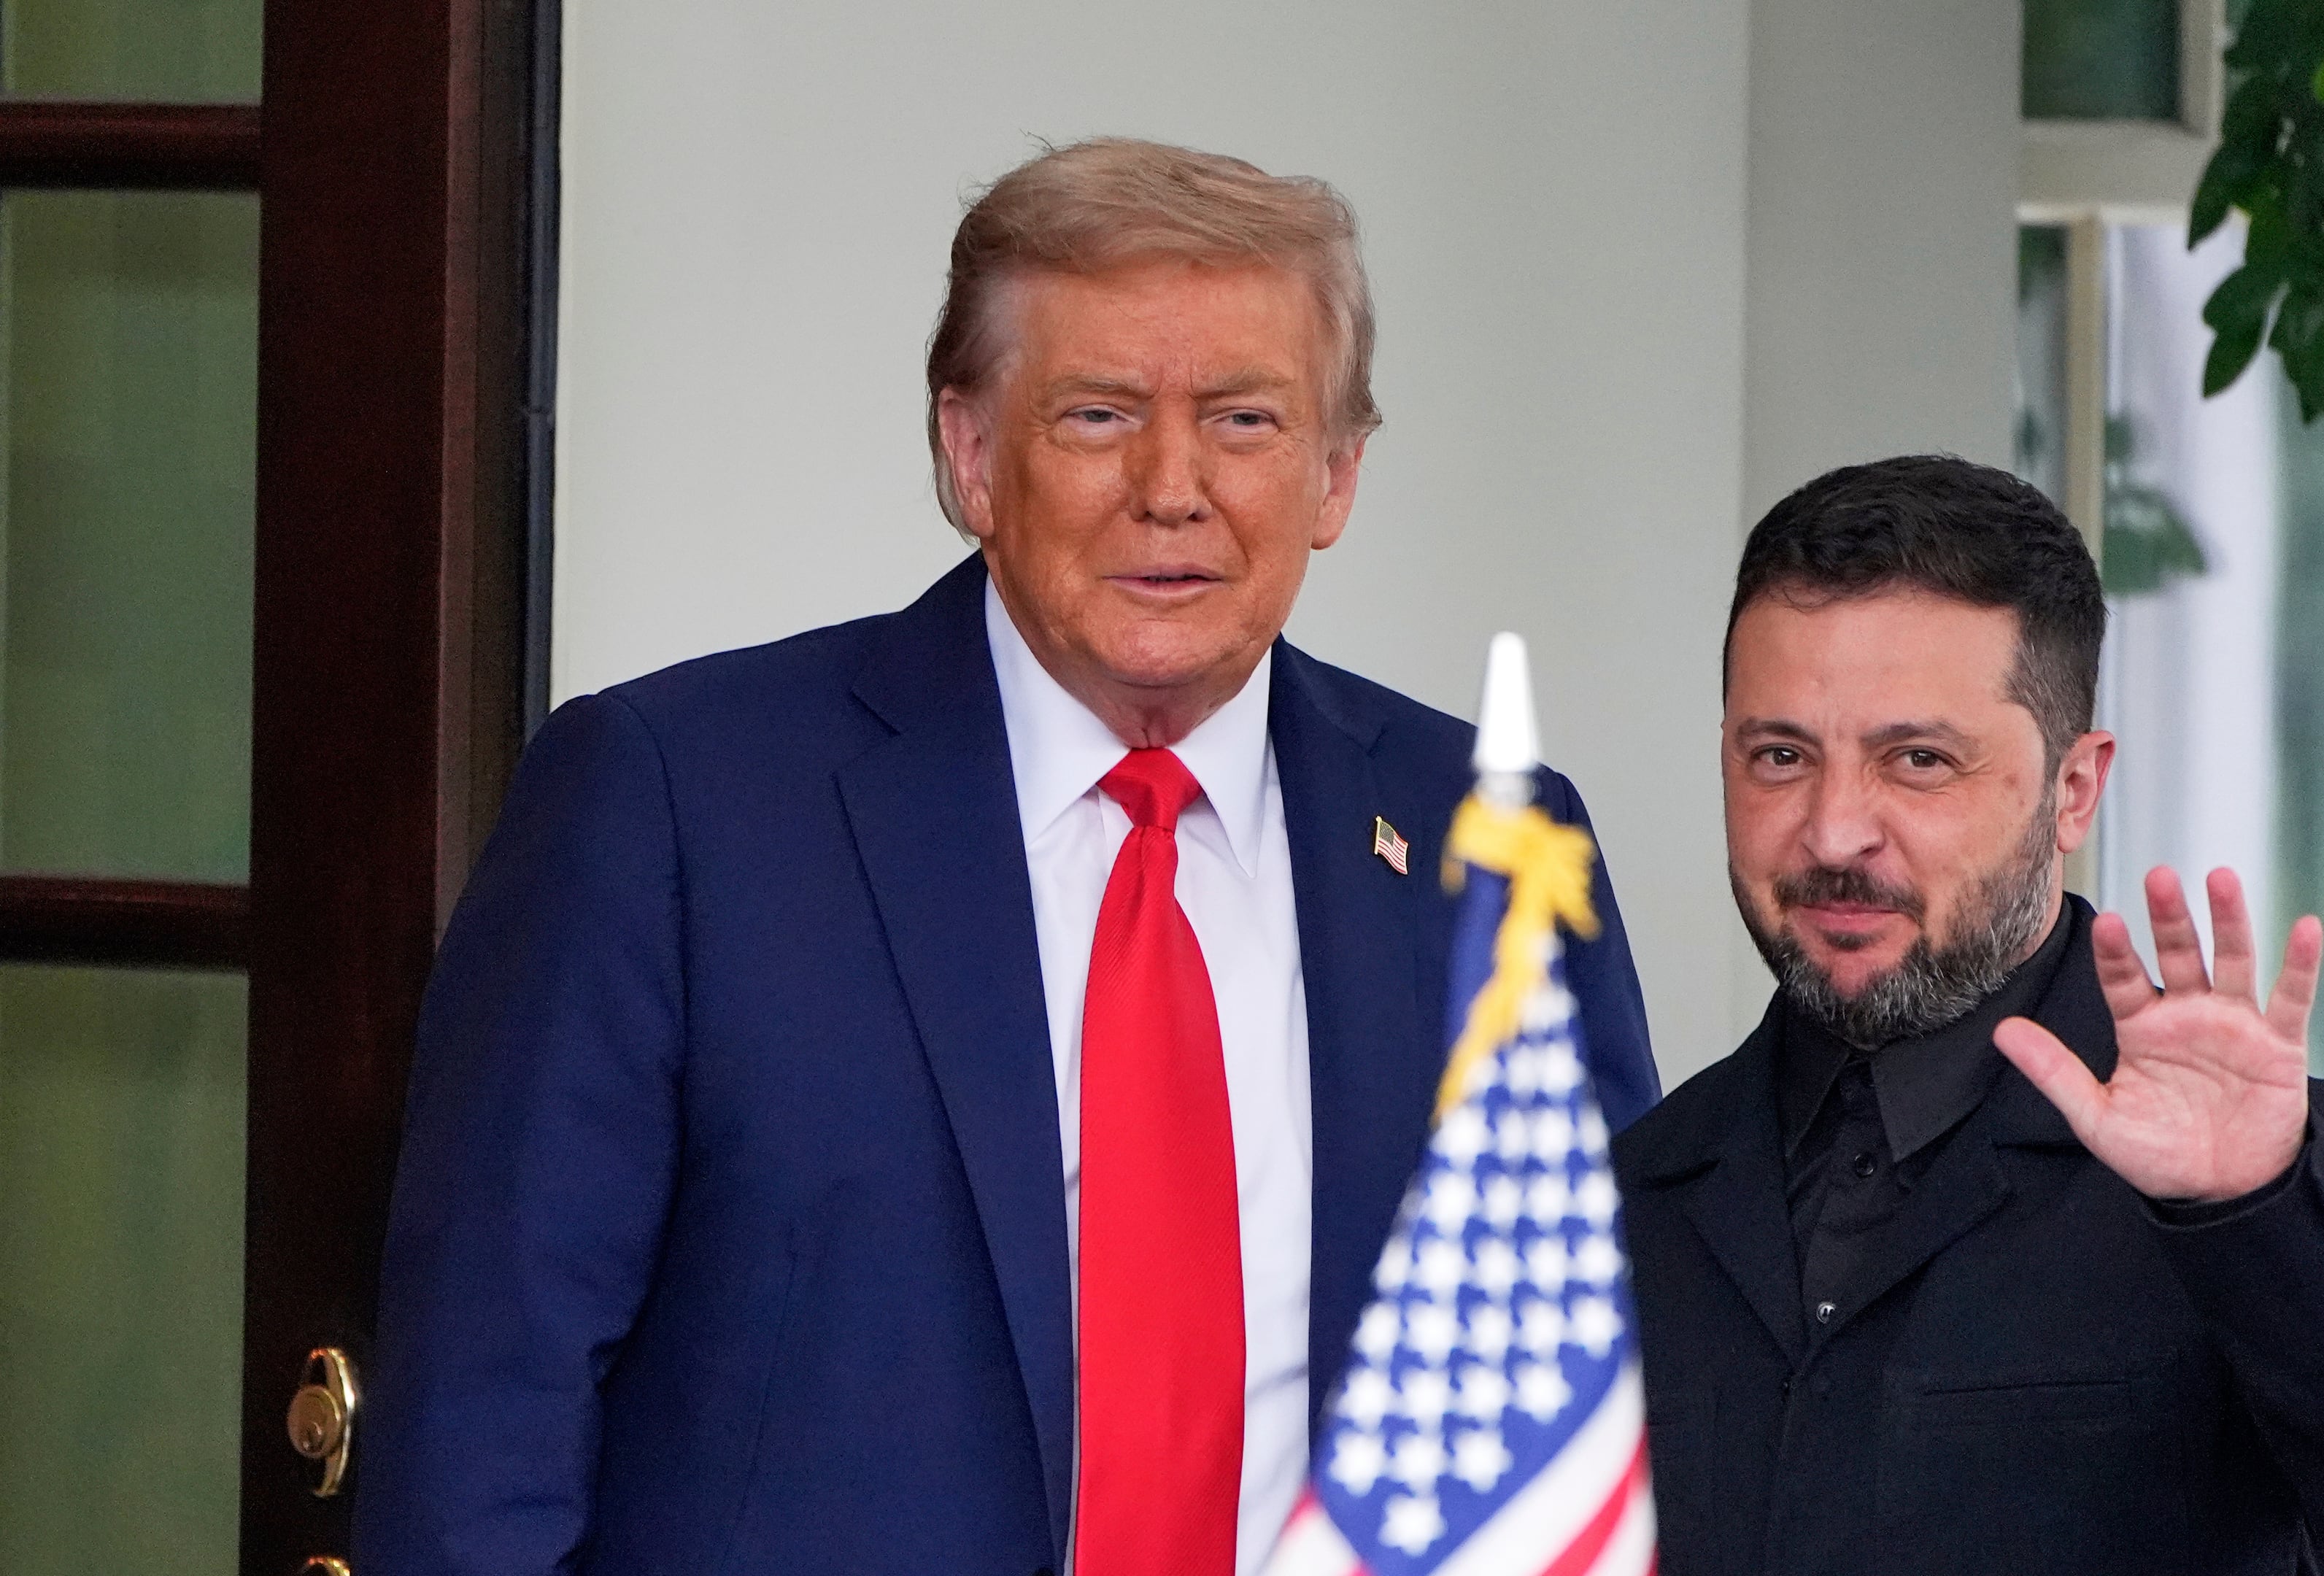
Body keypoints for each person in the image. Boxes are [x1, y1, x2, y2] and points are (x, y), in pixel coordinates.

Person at [356, 139, 1659, 1576]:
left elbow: (1591, 1397)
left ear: (1337, 477)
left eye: (1244, 421)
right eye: (1098, 416)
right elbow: (488, 1413)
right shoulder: (675, 803)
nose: (1174, 488)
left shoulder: (1491, 837)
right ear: (971, 457)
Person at [1617, 455, 2324, 1575]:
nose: (1834, 834)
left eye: (1917, 762)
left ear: (2075, 789)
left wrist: (2261, 1212)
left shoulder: (2264, 1173)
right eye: (1780, 757)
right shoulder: (1629, 1191)